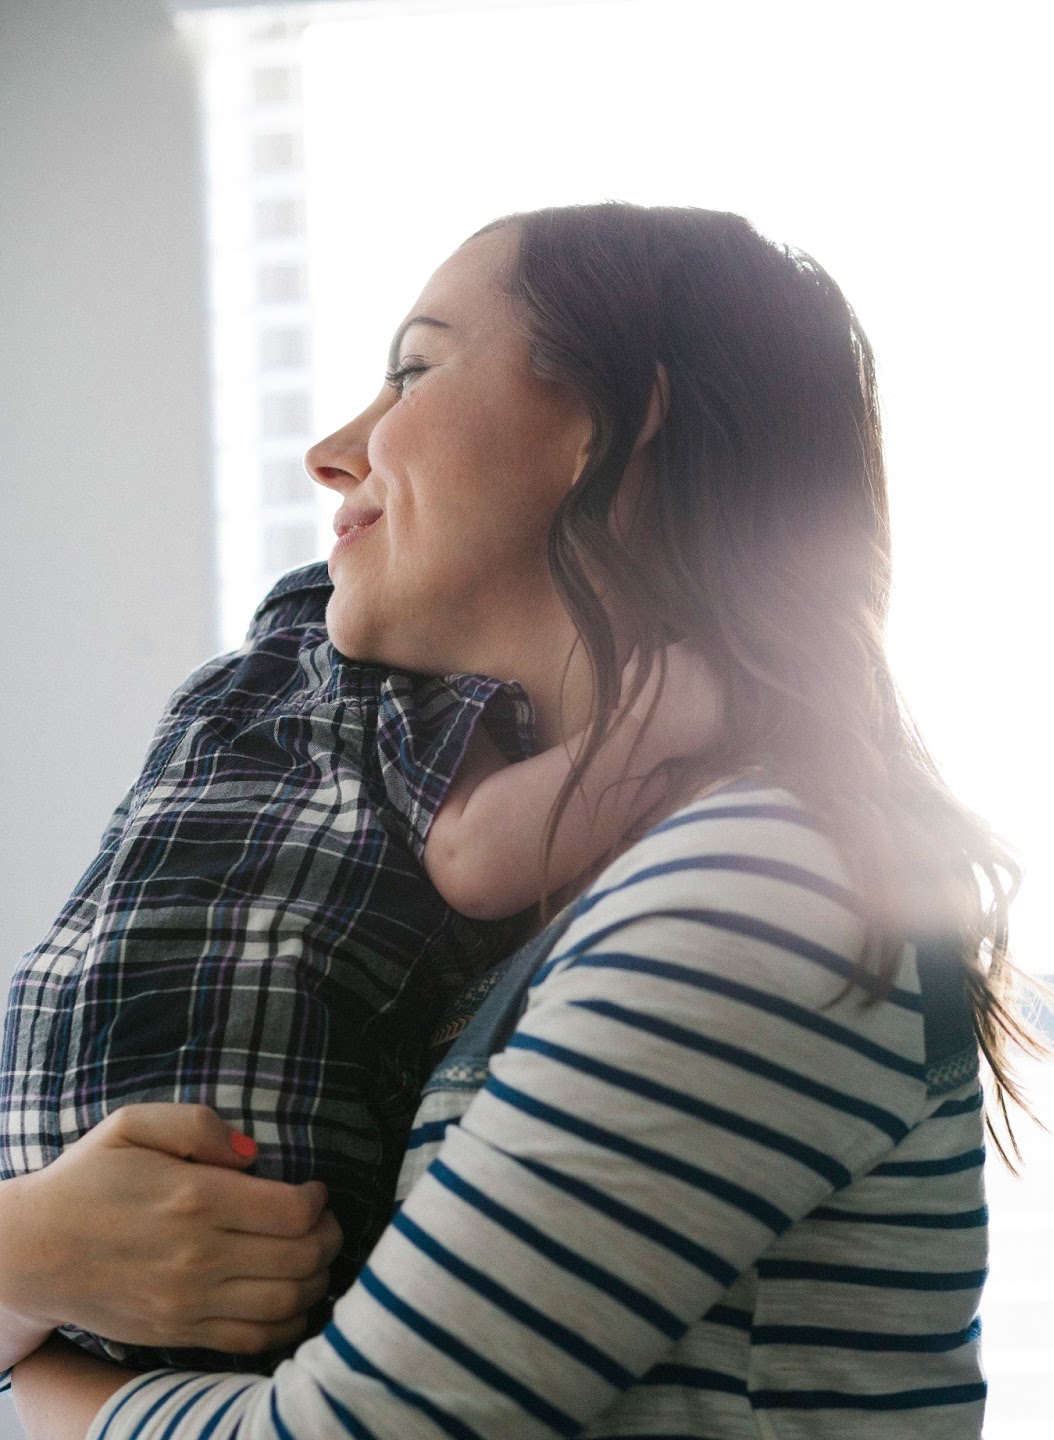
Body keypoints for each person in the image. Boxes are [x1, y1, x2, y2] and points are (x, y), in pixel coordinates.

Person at [7, 202, 1037, 1440]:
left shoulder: (758, 886)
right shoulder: (571, 893)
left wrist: (40, 1340)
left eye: (416, 371)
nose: (335, 450)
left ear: (617, 429)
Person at [1, 506, 711, 1371]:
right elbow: (475, 854)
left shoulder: (223, 693)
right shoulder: (379, 670)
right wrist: (658, 720)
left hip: (47, 1142)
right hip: (227, 1178)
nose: (339, 462)